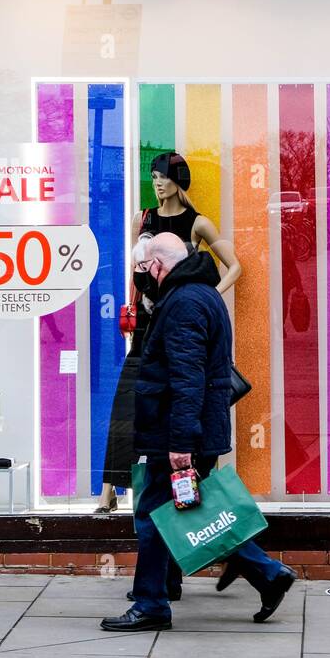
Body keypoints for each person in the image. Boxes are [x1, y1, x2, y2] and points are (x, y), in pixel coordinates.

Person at [101, 233, 295, 632]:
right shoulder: (197, 294)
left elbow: (187, 380)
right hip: (186, 430)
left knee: (154, 515)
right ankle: (267, 574)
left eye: (142, 269)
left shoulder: (185, 303)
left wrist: (180, 445)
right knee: (195, 512)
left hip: (176, 434)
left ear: (157, 265)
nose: (141, 277)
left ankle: (151, 603)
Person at [95, 151, 243, 513]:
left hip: (184, 324)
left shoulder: (197, 223)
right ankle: (109, 490)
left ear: (178, 180)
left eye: (162, 176)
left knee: (196, 398)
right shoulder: (142, 218)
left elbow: (235, 266)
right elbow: (136, 269)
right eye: (153, 176)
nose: (157, 183)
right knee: (127, 404)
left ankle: (208, 490)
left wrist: (205, 295)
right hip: (148, 325)